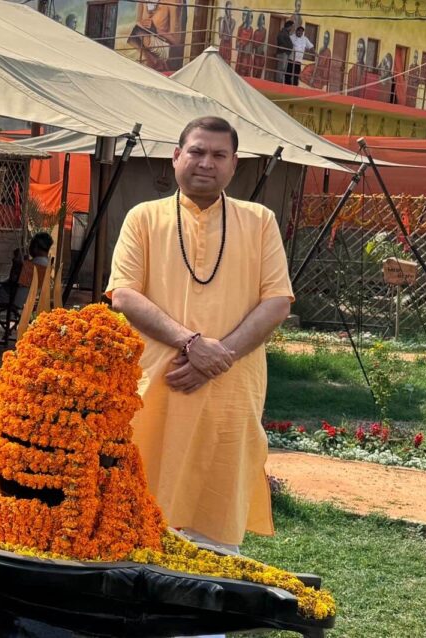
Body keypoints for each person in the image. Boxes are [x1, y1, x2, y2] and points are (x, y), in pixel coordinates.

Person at [107, 117, 293, 550]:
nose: (205, 163)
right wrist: (191, 344)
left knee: (216, 512)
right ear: (176, 157)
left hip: (228, 392)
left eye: (218, 155)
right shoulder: (144, 218)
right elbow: (124, 294)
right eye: (196, 151)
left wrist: (217, 356)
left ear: (234, 165)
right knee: (138, 509)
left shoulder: (259, 221)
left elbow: (277, 302)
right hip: (155, 386)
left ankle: (202, 605)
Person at [234, 9, 254, 77]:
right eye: (250, 17)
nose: (251, 19)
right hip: (242, 53)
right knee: (241, 69)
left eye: (252, 17)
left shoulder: (251, 29)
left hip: (247, 54)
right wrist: (240, 43)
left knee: (247, 70)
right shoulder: (240, 28)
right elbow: (238, 41)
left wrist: (241, 42)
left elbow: (250, 40)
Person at [250, 13, 268, 79]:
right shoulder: (255, 32)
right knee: (255, 72)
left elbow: (261, 40)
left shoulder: (264, 30)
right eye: (260, 19)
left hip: (261, 54)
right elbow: (253, 44)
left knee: (259, 71)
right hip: (256, 54)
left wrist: (255, 44)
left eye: (263, 19)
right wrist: (253, 46)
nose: (261, 21)